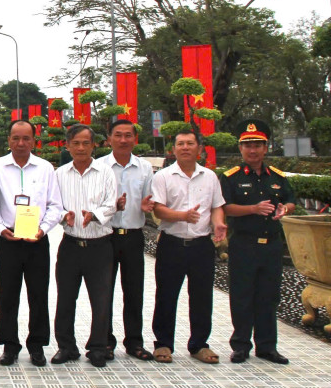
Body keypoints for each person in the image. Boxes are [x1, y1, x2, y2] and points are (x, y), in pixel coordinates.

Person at [0, 120, 65, 367]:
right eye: (16, 138)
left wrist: (44, 229)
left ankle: (37, 345)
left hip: (37, 240)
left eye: (26, 138)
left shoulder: (45, 168)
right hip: (9, 239)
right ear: (8, 140)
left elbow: (55, 205)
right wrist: (0, 228)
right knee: (8, 295)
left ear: (34, 140)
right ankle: (9, 345)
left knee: (38, 294)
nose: (20, 143)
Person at [221, 119, 295, 365]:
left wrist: (285, 208)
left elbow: (291, 200)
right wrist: (253, 208)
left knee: (269, 296)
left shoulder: (277, 177)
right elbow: (225, 208)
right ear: (240, 148)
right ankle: (241, 345)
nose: (252, 150)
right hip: (244, 244)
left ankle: (267, 346)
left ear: (265, 148)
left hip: (272, 245)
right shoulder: (231, 178)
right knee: (242, 295)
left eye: (257, 145)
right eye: (247, 145)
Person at [150, 128, 227, 364]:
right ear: (173, 149)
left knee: (202, 296)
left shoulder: (210, 177)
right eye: (181, 144)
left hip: (201, 245)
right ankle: (163, 343)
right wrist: (182, 216)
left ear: (199, 149)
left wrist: (219, 223)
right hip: (172, 244)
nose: (185, 147)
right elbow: (158, 209)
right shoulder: (163, 177)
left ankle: (199, 344)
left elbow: (216, 206)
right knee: (166, 295)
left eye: (190, 143)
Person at [52, 124, 116, 368]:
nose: (81, 148)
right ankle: (66, 346)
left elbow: (111, 203)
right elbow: (53, 204)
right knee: (65, 298)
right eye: (76, 143)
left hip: (100, 246)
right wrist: (63, 215)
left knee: (101, 299)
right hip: (70, 244)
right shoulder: (59, 174)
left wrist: (95, 215)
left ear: (94, 145)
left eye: (86, 143)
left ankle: (98, 347)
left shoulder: (106, 172)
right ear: (67, 146)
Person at [98, 118, 156, 361]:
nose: (123, 140)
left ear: (135, 139)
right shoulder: (99, 166)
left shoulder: (145, 168)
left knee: (134, 291)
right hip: (105, 236)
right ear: (109, 139)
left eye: (128, 135)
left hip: (133, 237)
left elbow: (150, 200)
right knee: (104, 291)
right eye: (118, 135)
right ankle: (105, 341)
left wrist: (147, 207)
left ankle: (134, 342)